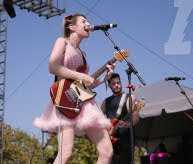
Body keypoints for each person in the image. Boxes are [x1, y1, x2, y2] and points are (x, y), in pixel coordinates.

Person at [34, 14, 114, 164]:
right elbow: (53, 67)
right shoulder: (62, 42)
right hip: (65, 99)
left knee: (107, 151)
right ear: (72, 27)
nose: (88, 24)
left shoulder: (83, 54)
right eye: (84, 21)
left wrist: (105, 79)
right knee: (66, 153)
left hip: (85, 103)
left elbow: (85, 86)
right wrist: (82, 76)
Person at [101, 73, 140, 164]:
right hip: (110, 140)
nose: (117, 85)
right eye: (113, 83)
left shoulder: (129, 97)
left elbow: (135, 118)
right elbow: (99, 121)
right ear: (109, 85)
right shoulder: (105, 102)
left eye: (118, 83)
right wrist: (105, 132)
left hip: (126, 139)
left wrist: (127, 124)